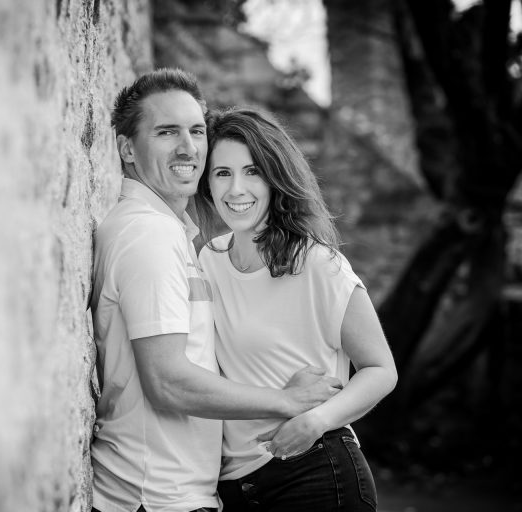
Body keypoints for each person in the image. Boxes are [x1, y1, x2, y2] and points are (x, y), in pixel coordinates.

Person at [89, 70, 344, 512]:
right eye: (167, 132)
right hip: (155, 499)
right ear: (127, 148)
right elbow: (167, 381)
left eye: (196, 131)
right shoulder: (148, 235)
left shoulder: (169, 233)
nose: (188, 148)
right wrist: (288, 400)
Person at [196, 106, 398, 511]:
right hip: (236, 490)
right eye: (223, 173)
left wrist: (315, 421)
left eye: (252, 171)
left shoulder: (317, 264)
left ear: (275, 179)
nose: (236, 189)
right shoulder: (208, 261)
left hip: (316, 474)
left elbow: (381, 370)